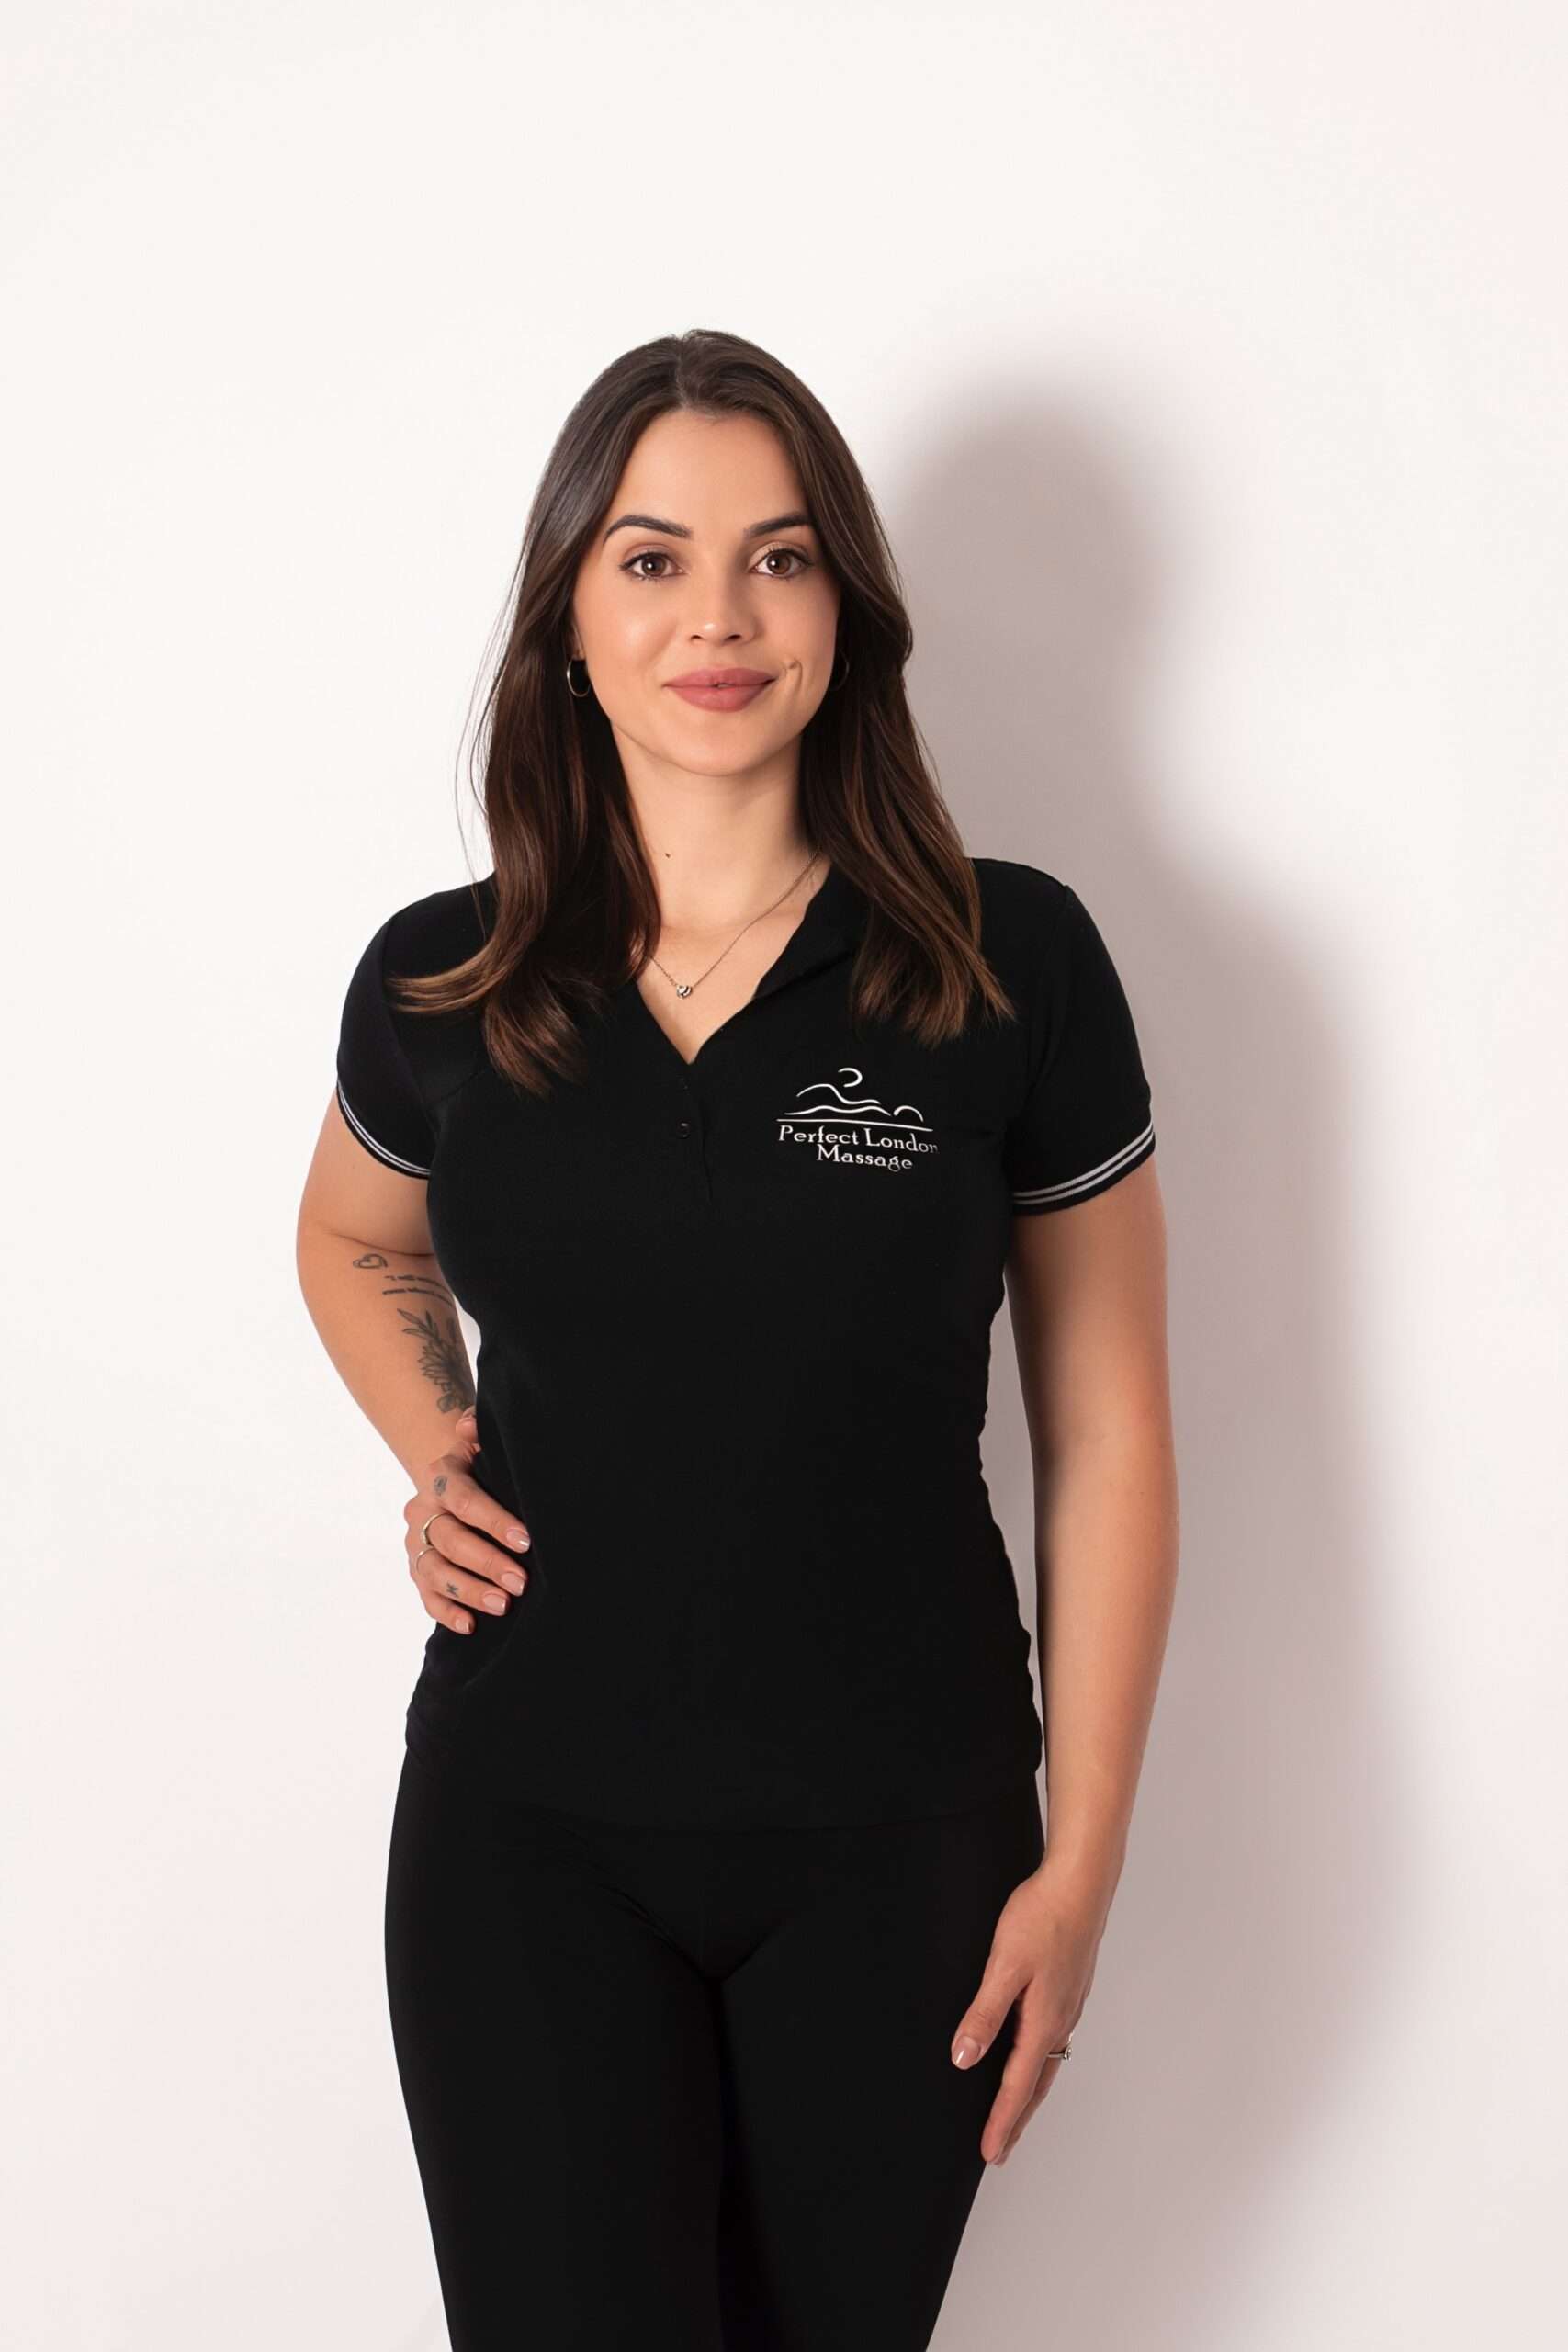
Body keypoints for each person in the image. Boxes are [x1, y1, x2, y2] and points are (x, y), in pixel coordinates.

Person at [296, 328, 1179, 2352]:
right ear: (566, 619)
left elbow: (1110, 1430)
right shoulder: (447, 978)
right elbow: (352, 1236)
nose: (718, 615)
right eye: (651, 559)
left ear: (844, 610)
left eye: (777, 558)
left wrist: (1085, 1865)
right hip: (525, 1838)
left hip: (905, 1853)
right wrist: (437, 1444)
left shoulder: (1007, 960)